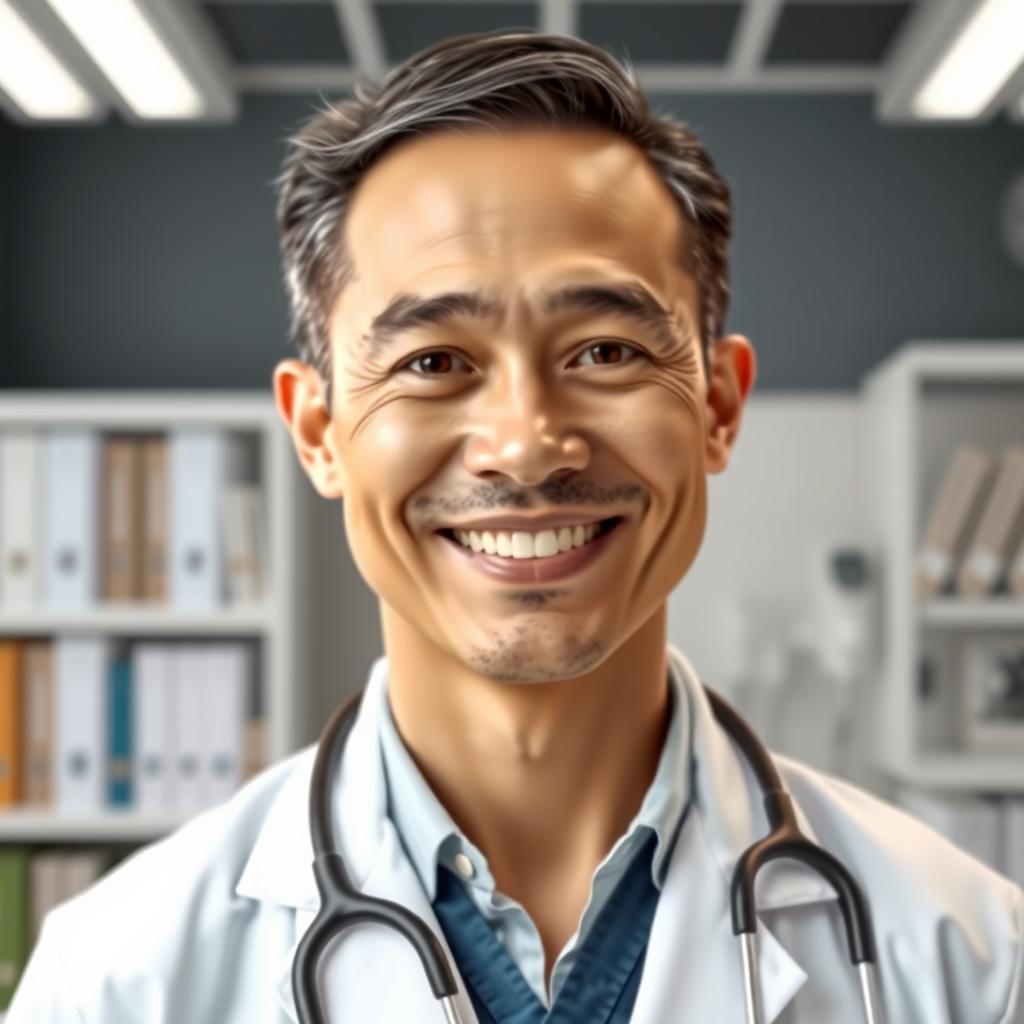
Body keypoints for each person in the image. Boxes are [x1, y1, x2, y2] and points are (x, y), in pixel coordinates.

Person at [8, 29, 1023, 1024]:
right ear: (318, 433)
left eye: (605, 351)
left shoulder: (971, 963)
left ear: (718, 405)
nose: (527, 446)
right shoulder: (115, 984)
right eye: (432, 362)